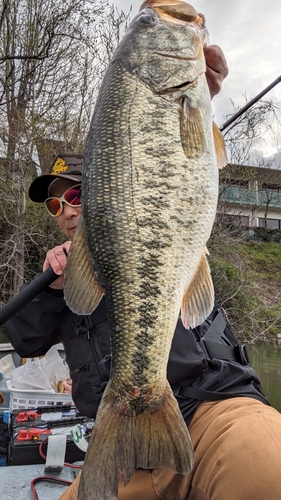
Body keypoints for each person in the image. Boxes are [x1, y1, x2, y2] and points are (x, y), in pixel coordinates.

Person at [5, 15, 281, 500]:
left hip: (212, 408)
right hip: (122, 451)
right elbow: (23, 337)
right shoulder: (62, 275)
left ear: (110, 188)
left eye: (75, 195)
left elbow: (167, 167)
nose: (66, 208)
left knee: (265, 465)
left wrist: (190, 104)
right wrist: (50, 285)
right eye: (54, 203)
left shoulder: (151, 218)